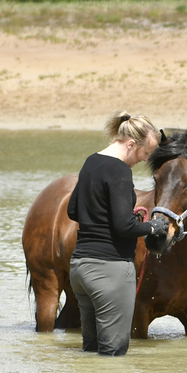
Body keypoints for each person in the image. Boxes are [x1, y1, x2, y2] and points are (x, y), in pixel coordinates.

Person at [67, 110, 169, 356]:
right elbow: (125, 227)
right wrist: (152, 226)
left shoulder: (91, 161)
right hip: (109, 271)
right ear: (131, 144)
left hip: (80, 269)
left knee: (91, 351)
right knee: (113, 356)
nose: (145, 160)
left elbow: (73, 210)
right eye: (145, 153)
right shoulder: (120, 171)